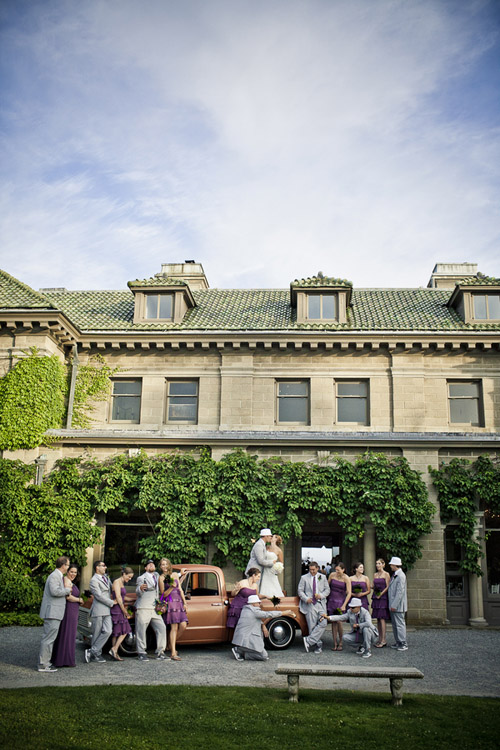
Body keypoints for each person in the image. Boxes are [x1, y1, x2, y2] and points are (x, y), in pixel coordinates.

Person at [231, 594, 296, 661]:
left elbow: (253, 620)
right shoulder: (254, 611)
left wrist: (263, 626)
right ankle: (239, 650)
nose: (260, 603)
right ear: (253, 603)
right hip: (246, 639)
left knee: (263, 655)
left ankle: (242, 653)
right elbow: (268, 614)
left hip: (241, 639)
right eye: (258, 602)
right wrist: (283, 613)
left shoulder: (246, 610)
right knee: (264, 656)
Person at [38, 555, 71, 672]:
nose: (68, 567)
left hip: (55, 612)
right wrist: (67, 590)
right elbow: (54, 591)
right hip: (52, 612)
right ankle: (43, 665)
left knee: (50, 638)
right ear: (63, 565)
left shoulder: (58, 576)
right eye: (68, 564)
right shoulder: (54, 576)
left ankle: (46, 662)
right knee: (48, 639)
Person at [51, 563, 84, 668]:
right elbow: (68, 597)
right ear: (67, 571)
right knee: (67, 633)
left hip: (73, 610)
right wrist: (79, 599)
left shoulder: (70, 581)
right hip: (69, 610)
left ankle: (63, 658)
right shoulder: (66, 580)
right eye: (71, 572)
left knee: (69, 634)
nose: (73, 574)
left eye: (75, 572)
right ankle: (63, 660)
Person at [135, 559, 167, 661]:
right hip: (143, 606)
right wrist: (140, 588)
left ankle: (160, 652)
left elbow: (169, 575)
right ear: (145, 568)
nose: (151, 565)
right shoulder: (141, 578)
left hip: (154, 608)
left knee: (161, 627)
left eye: (152, 564)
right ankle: (141, 652)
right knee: (141, 629)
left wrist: (180, 574)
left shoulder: (157, 575)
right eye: (148, 565)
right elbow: (137, 592)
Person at [85, 560, 115, 664]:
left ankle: (93, 651)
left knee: (108, 631)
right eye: (103, 566)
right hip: (98, 609)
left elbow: (112, 588)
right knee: (96, 633)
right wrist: (111, 602)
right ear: (97, 568)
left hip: (107, 610)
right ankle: (96, 655)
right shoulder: (94, 580)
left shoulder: (106, 577)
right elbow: (98, 596)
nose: (105, 567)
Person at [159, 558, 188, 661]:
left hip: (179, 602)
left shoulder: (175, 575)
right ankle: (173, 653)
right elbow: (163, 594)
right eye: (162, 564)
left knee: (183, 625)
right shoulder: (161, 578)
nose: (164, 566)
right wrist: (171, 587)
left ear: (169, 565)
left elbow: (180, 589)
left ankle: (170, 644)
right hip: (170, 602)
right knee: (174, 628)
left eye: (166, 564)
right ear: (160, 567)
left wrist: (184, 602)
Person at [297, 561, 329, 654]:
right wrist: (306, 599)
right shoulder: (304, 578)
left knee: (324, 623)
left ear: (317, 568)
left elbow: (327, 590)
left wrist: (321, 595)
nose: (312, 572)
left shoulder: (322, 577)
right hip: (310, 605)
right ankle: (318, 645)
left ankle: (309, 641)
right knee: (312, 626)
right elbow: (300, 591)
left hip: (321, 604)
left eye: (314, 570)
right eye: (310, 570)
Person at [109, 566, 134, 661]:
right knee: (126, 630)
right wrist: (124, 611)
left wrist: (133, 599)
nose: (130, 579)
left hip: (119, 607)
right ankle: (114, 649)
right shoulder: (116, 582)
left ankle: (114, 652)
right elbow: (118, 597)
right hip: (117, 609)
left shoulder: (121, 582)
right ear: (124, 574)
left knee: (116, 632)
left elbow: (123, 597)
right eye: (129, 577)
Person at [326, 561, 352, 651]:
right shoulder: (332, 575)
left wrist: (344, 604)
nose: (337, 572)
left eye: (338, 570)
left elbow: (349, 593)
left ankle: (340, 641)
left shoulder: (346, 578)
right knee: (333, 622)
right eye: (336, 570)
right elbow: (327, 586)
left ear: (343, 570)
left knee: (339, 622)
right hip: (332, 600)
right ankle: (335, 643)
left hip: (340, 601)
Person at [388, 556, 408, 651]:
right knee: (395, 624)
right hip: (394, 605)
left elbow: (400, 592)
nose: (390, 566)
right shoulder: (396, 575)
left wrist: (394, 605)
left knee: (399, 624)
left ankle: (403, 642)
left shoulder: (400, 576)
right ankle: (398, 641)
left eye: (391, 564)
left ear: (395, 565)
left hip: (398, 606)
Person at [371, 558, 391, 648]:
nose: (377, 565)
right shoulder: (375, 575)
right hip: (376, 596)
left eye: (379, 563)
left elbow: (388, 586)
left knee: (382, 618)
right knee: (378, 619)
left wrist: (381, 594)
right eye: (376, 563)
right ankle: (379, 638)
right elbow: (373, 585)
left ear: (383, 564)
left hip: (382, 597)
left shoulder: (386, 574)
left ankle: (383, 639)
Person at [259, 534, 284, 598]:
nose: (271, 537)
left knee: (273, 585)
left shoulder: (279, 550)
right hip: (265, 569)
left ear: (276, 539)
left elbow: (281, 563)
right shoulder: (266, 547)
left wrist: (277, 568)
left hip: (272, 571)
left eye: (272, 536)